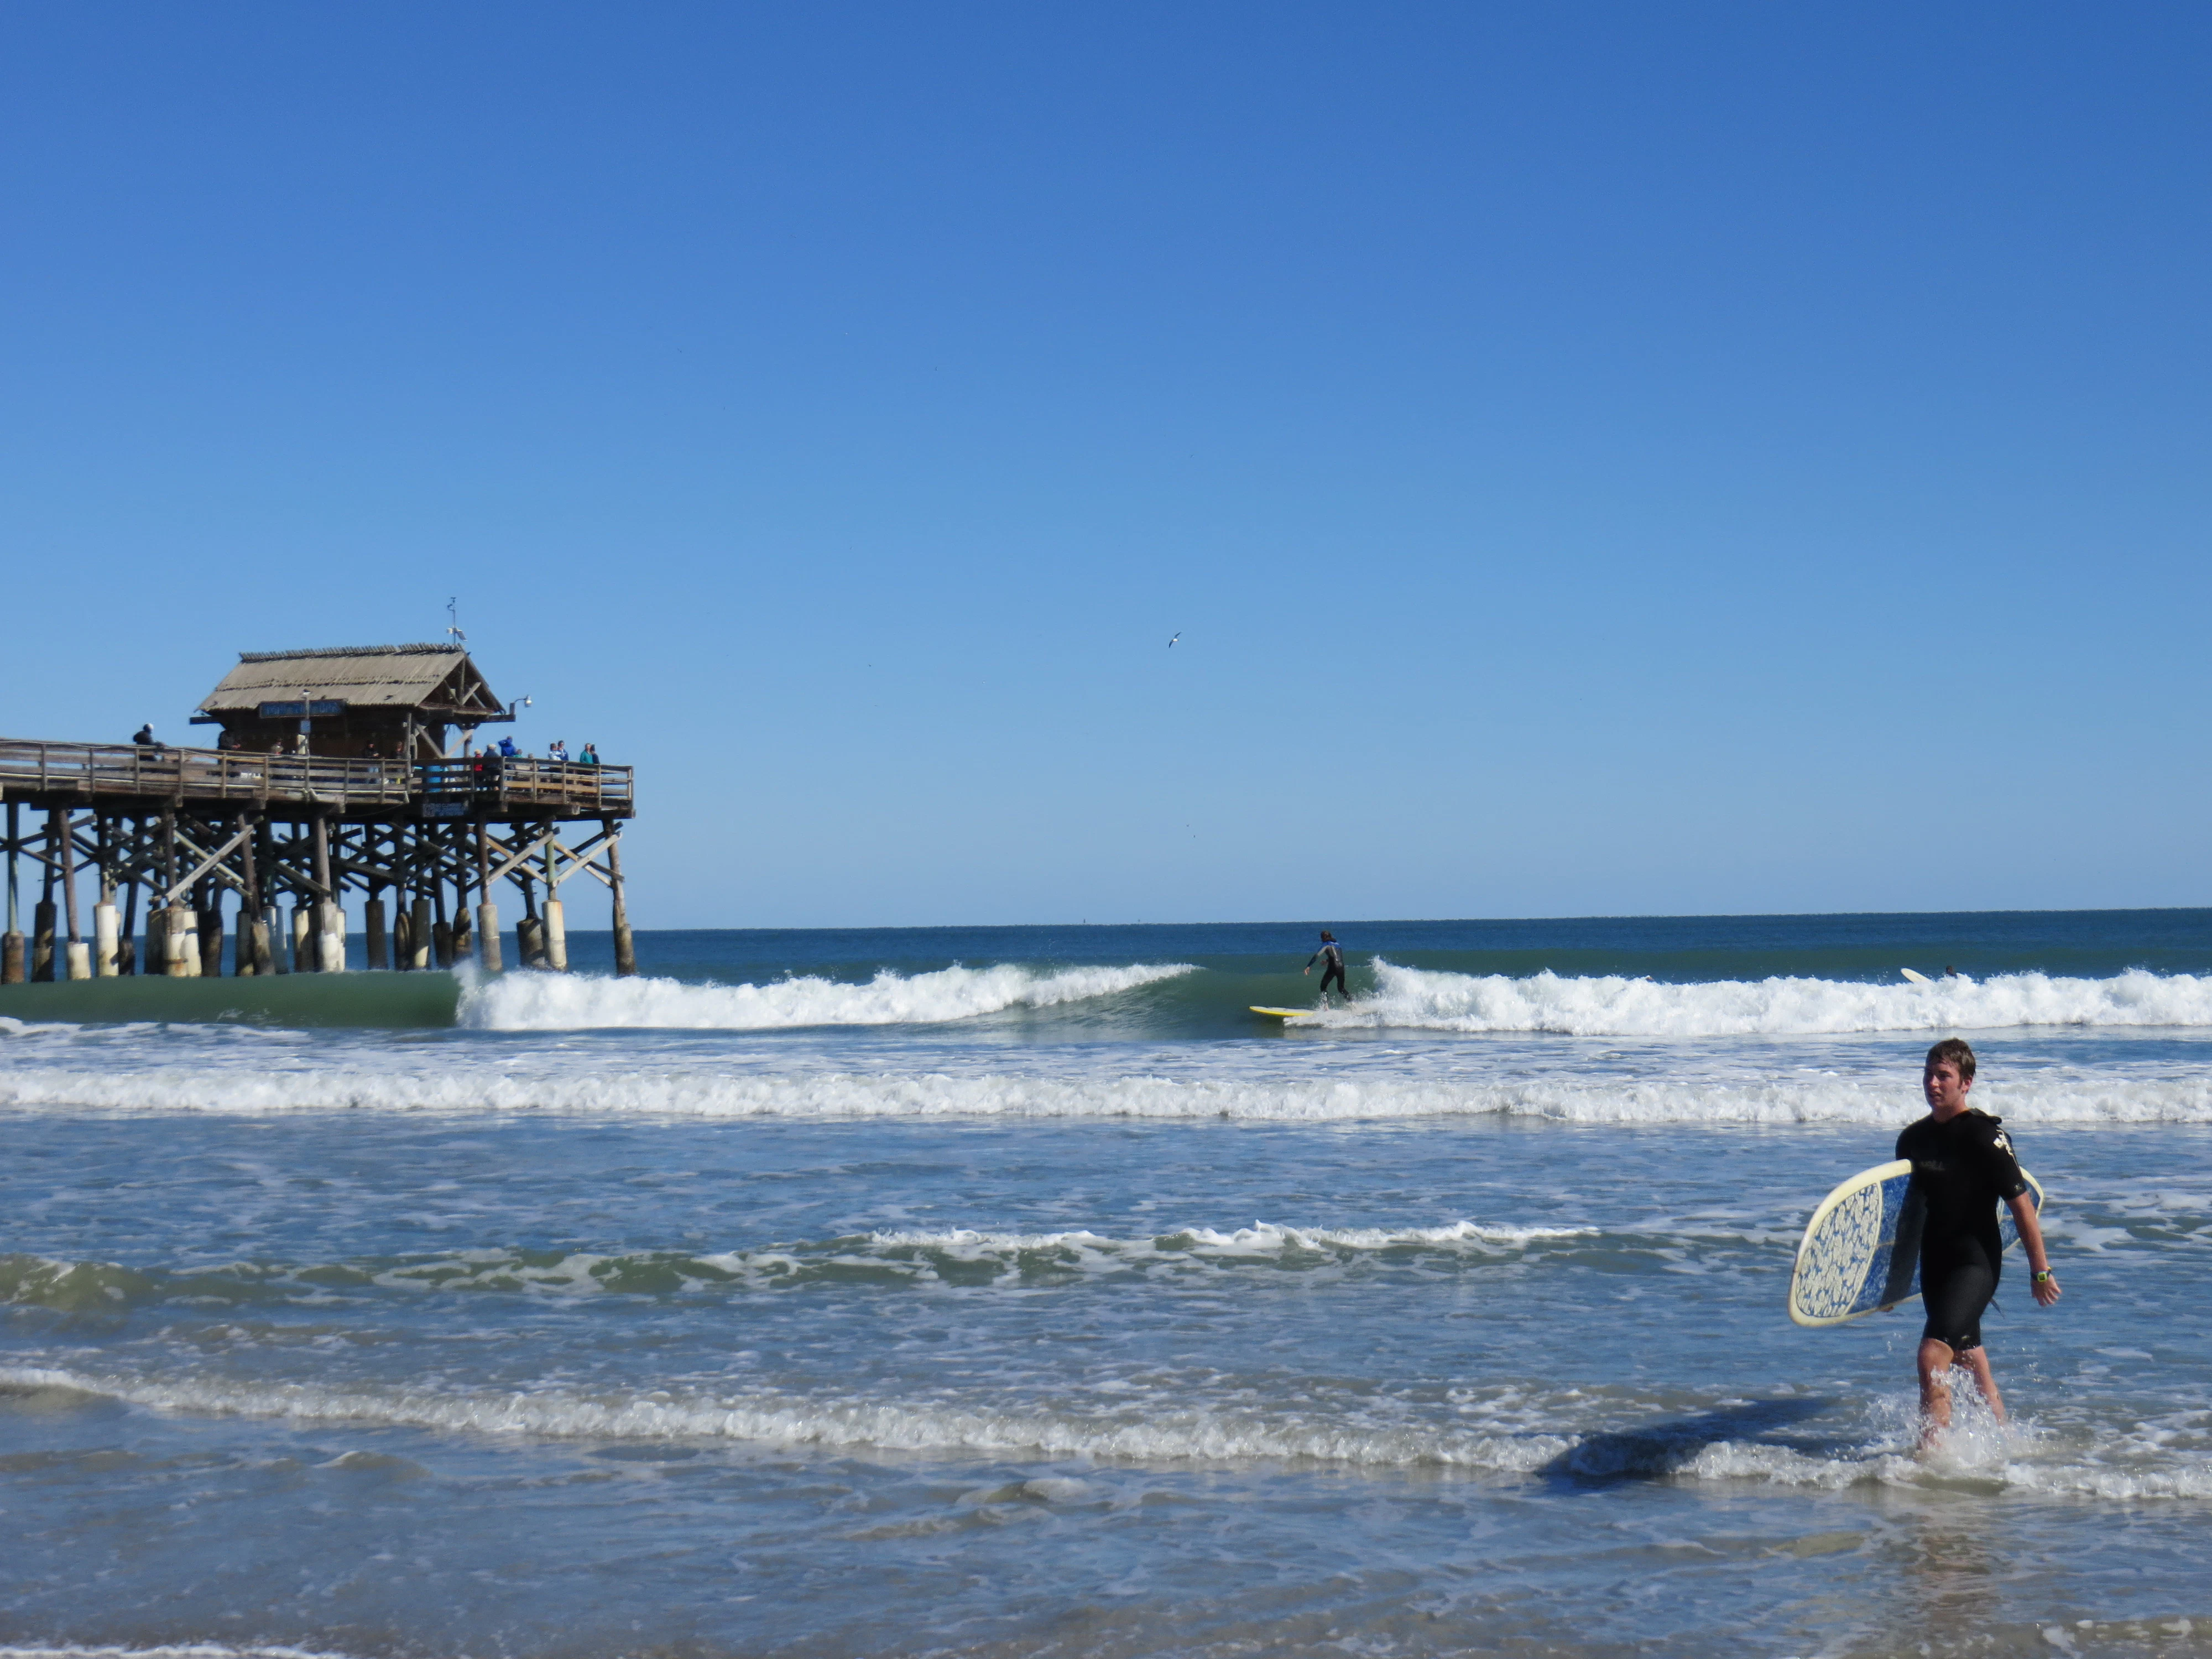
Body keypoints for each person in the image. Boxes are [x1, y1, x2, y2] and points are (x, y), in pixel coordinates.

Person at [1897, 1037, 2059, 1447]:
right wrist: (1893, 1281)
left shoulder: (1985, 1137)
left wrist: (2040, 1270)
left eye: (1943, 1076)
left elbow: (2023, 1208)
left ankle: (1931, 1459)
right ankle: (2008, 1441)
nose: (1933, 1083)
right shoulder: (1913, 1139)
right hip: (1935, 1264)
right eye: (1928, 1074)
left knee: (1933, 1355)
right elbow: (1906, 1213)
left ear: (1966, 1082)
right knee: (1969, 1356)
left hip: (1974, 1264)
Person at [1303, 930, 1348, 1006]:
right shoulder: (1338, 945)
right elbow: (1338, 957)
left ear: (1322, 938)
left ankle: (1326, 1006)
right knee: (1341, 988)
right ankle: (1352, 1003)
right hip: (1341, 967)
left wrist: (1309, 966)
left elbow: (1317, 955)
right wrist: (1327, 960)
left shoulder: (1326, 945)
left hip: (1333, 967)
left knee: (1323, 986)